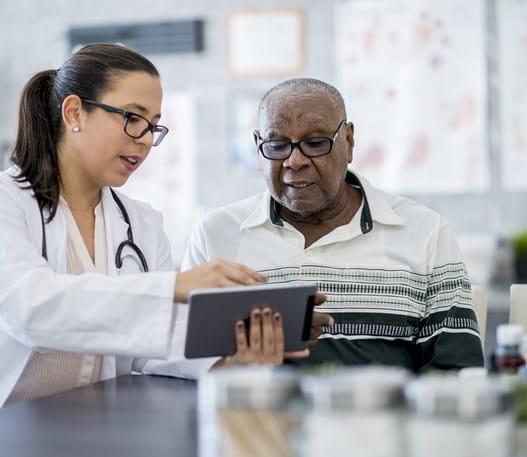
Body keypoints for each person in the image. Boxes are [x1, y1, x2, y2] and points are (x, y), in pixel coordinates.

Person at [0, 44, 298, 407]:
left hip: (98, 427)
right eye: (132, 117)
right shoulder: (8, 202)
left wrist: (231, 354)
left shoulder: (141, 223)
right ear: (75, 112)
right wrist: (171, 286)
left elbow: (153, 343)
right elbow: (30, 310)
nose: (144, 139)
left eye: (153, 126)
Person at [181, 77, 484, 373]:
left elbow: (455, 372)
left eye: (315, 143)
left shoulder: (425, 232)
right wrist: (238, 360)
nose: (294, 161)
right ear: (258, 148)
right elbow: (179, 362)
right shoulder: (216, 234)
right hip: (255, 420)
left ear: (349, 142)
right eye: (276, 145)